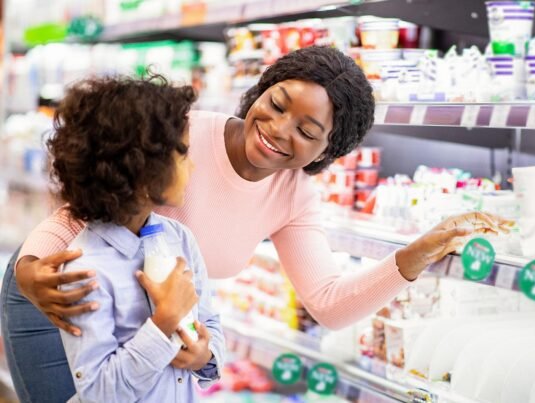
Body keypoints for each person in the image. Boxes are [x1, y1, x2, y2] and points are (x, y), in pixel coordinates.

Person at [2, 46, 509, 403]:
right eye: (277, 103)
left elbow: (328, 303)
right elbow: (77, 214)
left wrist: (414, 255)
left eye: (307, 131)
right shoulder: (180, 134)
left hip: (152, 326)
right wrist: (29, 272)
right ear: (261, 90)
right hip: (62, 293)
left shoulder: (293, 197)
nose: (276, 130)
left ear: (326, 151)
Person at [47, 75, 224, 402]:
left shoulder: (180, 239)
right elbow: (98, 391)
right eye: (183, 153)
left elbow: (211, 320)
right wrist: (164, 323)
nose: (194, 165)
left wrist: (206, 357)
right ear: (141, 170)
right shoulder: (83, 271)